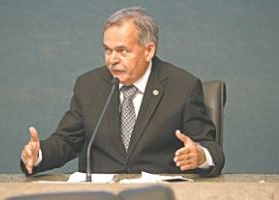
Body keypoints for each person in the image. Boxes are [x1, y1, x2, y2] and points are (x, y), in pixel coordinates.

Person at [21, 7, 224, 177]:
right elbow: (66, 141)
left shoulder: (182, 86)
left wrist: (201, 155)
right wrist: (38, 155)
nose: (112, 60)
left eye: (123, 51)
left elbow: (212, 148)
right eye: (108, 50)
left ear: (148, 50)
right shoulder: (89, 85)